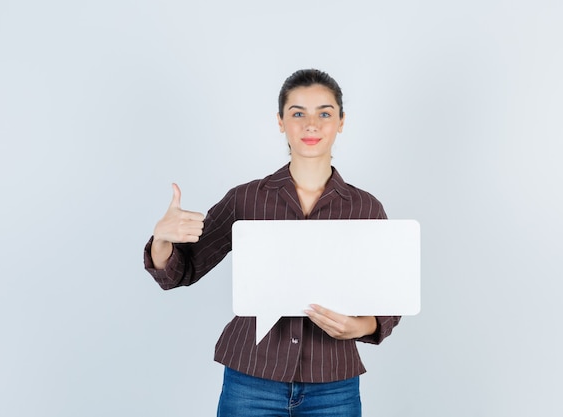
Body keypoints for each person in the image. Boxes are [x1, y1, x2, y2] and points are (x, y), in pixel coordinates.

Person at [144, 69, 401, 416]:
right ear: (281, 121)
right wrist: (162, 240)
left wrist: (364, 325)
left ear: (341, 122)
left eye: (324, 113)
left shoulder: (366, 209)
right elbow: (183, 270)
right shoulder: (246, 200)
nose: (311, 124)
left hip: (334, 386)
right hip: (251, 380)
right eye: (298, 113)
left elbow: (391, 294)